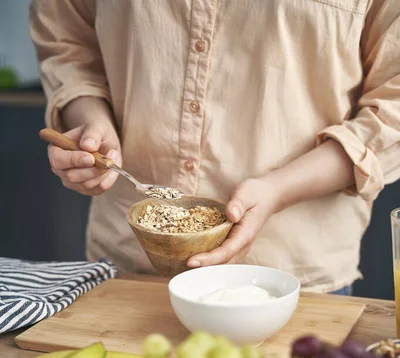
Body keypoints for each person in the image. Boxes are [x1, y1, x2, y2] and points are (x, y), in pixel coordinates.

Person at [30, 0, 400, 293]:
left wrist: (278, 190)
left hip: (288, 275)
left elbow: (393, 107)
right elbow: (67, 43)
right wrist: (90, 116)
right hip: (129, 265)